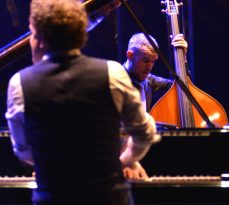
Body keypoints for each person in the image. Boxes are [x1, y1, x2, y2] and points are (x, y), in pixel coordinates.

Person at [5, 0, 159, 204]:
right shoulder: (113, 73)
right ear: (82, 34)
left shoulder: (19, 84)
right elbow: (145, 132)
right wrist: (123, 162)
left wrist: (51, 165)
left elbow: (23, 150)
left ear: (39, 36)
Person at [121, 32, 188, 180]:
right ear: (130, 55)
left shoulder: (149, 81)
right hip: (120, 159)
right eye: (145, 60)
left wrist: (182, 58)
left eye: (153, 61)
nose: (149, 67)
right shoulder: (114, 81)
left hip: (144, 155)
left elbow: (182, 87)